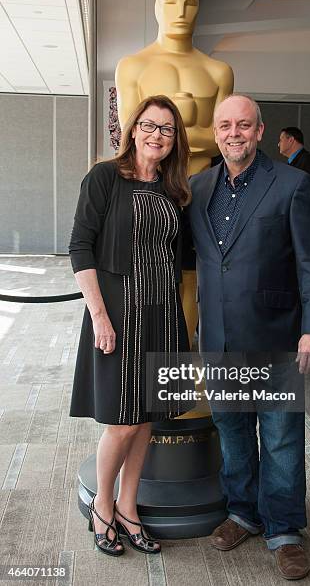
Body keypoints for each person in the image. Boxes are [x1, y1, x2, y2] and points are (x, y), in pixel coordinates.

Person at [187, 95, 310, 580]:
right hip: (221, 338)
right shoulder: (198, 187)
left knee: (282, 438)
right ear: (215, 130)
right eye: (226, 125)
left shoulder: (293, 184)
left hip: (278, 336)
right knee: (231, 433)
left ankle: (285, 530)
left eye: (243, 125)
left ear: (260, 130)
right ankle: (243, 513)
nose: (234, 133)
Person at [69, 95, 191, 556]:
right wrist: (99, 315)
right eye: (149, 125)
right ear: (132, 128)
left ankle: (128, 507)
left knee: (146, 421)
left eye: (166, 129)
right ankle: (103, 506)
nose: (156, 135)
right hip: (118, 314)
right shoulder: (104, 176)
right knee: (121, 421)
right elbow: (80, 247)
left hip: (161, 315)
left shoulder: (172, 190)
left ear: (173, 139)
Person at [115, 0, 234, 345]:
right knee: (146, 277)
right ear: (155, 8)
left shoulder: (218, 72)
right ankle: (147, 364)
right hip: (148, 191)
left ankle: (176, 371)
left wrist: (167, 130)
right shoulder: (132, 66)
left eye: (189, 3)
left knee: (193, 278)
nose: (180, 12)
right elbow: (131, 132)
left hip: (201, 194)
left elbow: (222, 140)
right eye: (170, 3)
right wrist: (186, 130)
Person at [278, 127, 310, 228]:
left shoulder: (308, 161)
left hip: (305, 223)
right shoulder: (293, 163)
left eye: (281, 139)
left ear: (291, 140)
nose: (279, 144)